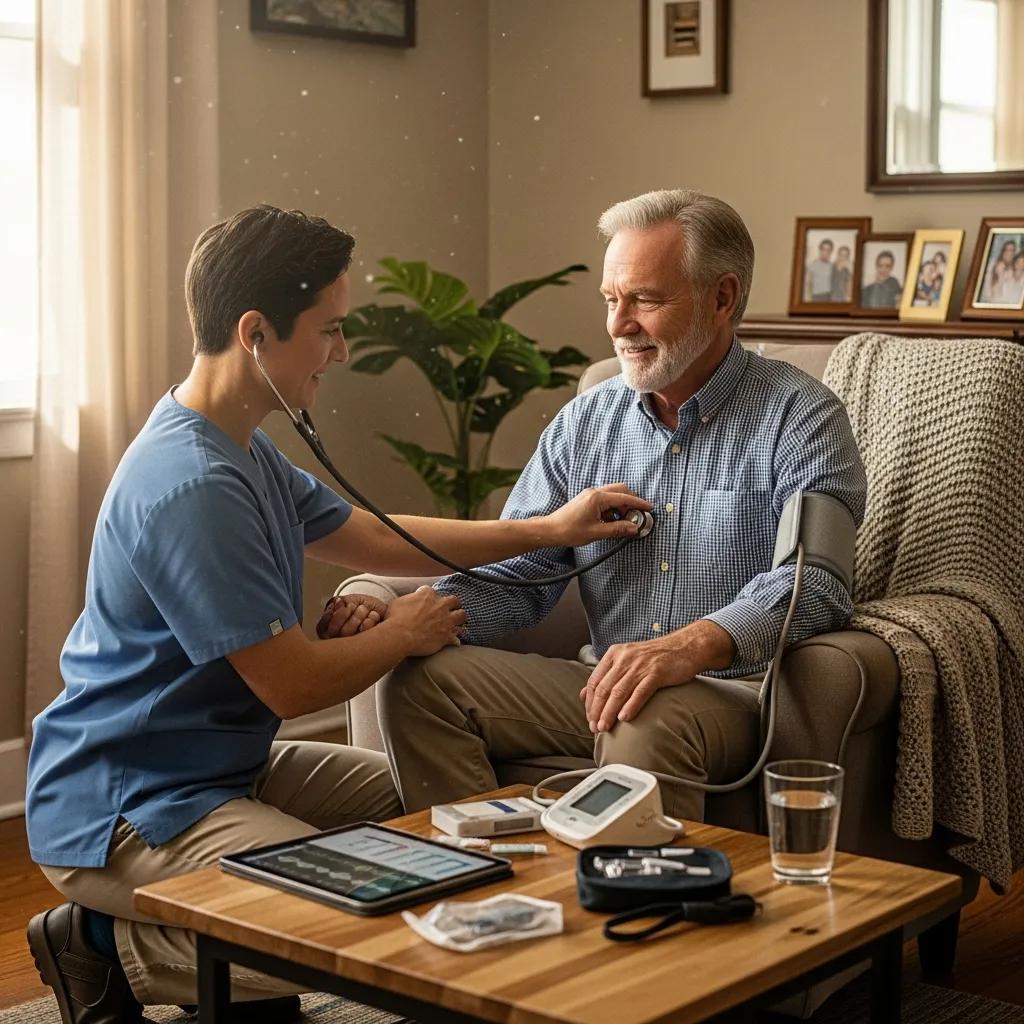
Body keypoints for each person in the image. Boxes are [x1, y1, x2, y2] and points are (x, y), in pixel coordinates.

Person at [24, 205, 650, 1024]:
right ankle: (100, 944)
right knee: (358, 912)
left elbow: (377, 540)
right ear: (256, 332)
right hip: (129, 806)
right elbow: (291, 687)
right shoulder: (193, 483)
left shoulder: (240, 444)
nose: (342, 351)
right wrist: (403, 634)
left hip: (222, 773)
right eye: (329, 329)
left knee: (433, 824)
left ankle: (238, 954)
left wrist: (550, 527)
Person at [372, 189, 866, 821]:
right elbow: (523, 575)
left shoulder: (802, 416)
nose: (617, 324)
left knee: (645, 710)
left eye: (646, 299)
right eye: (612, 299)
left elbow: (817, 582)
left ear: (723, 298)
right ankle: (489, 881)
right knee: (417, 683)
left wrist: (689, 646)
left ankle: (646, 909)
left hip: (733, 693)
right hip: (599, 685)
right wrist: (400, 612)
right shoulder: (584, 423)